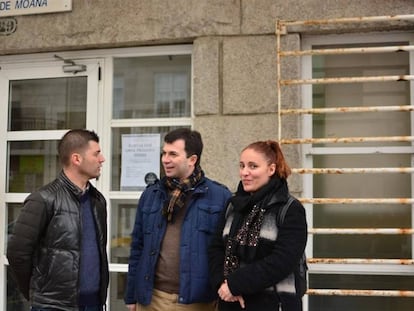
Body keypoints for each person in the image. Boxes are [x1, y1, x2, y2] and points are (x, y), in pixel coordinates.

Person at [124, 128, 232, 311]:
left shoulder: (220, 196)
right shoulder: (151, 194)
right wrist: (131, 295)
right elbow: (138, 248)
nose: (165, 159)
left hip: (197, 302)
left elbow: (227, 252)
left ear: (192, 159)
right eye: (164, 153)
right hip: (152, 299)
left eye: (173, 154)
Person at [7, 129, 109, 311]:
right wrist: (37, 294)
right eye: (96, 153)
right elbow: (17, 253)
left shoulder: (98, 201)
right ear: (76, 159)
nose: (102, 159)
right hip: (53, 307)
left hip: (93, 304)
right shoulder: (43, 199)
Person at [208, 140, 307, 311]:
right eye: (242, 166)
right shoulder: (233, 205)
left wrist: (235, 284)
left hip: (275, 304)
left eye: (253, 166)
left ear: (271, 169)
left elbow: (282, 261)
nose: (244, 172)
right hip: (231, 302)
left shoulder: (289, 209)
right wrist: (223, 284)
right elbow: (216, 248)